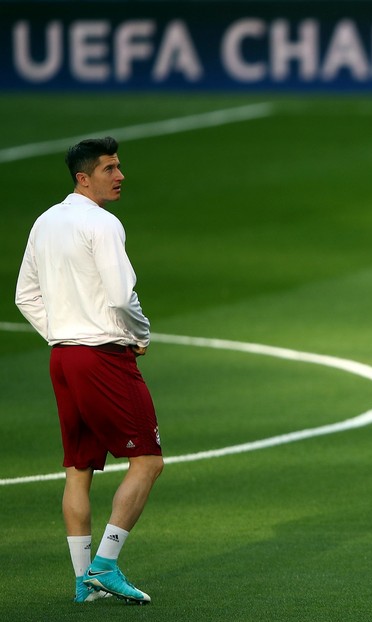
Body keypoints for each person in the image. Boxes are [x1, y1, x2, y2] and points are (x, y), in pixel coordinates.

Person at [14, 136, 163, 605]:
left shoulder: (44, 221)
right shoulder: (102, 224)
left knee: (78, 469)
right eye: (109, 168)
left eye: (118, 167)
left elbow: (25, 296)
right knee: (148, 461)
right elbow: (121, 297)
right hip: (102, 357)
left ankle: (83, 583)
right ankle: (105, 564)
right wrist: (140, 334)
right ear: (84, 177)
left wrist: (62, 332)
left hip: (64, 359)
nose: (120, 176)